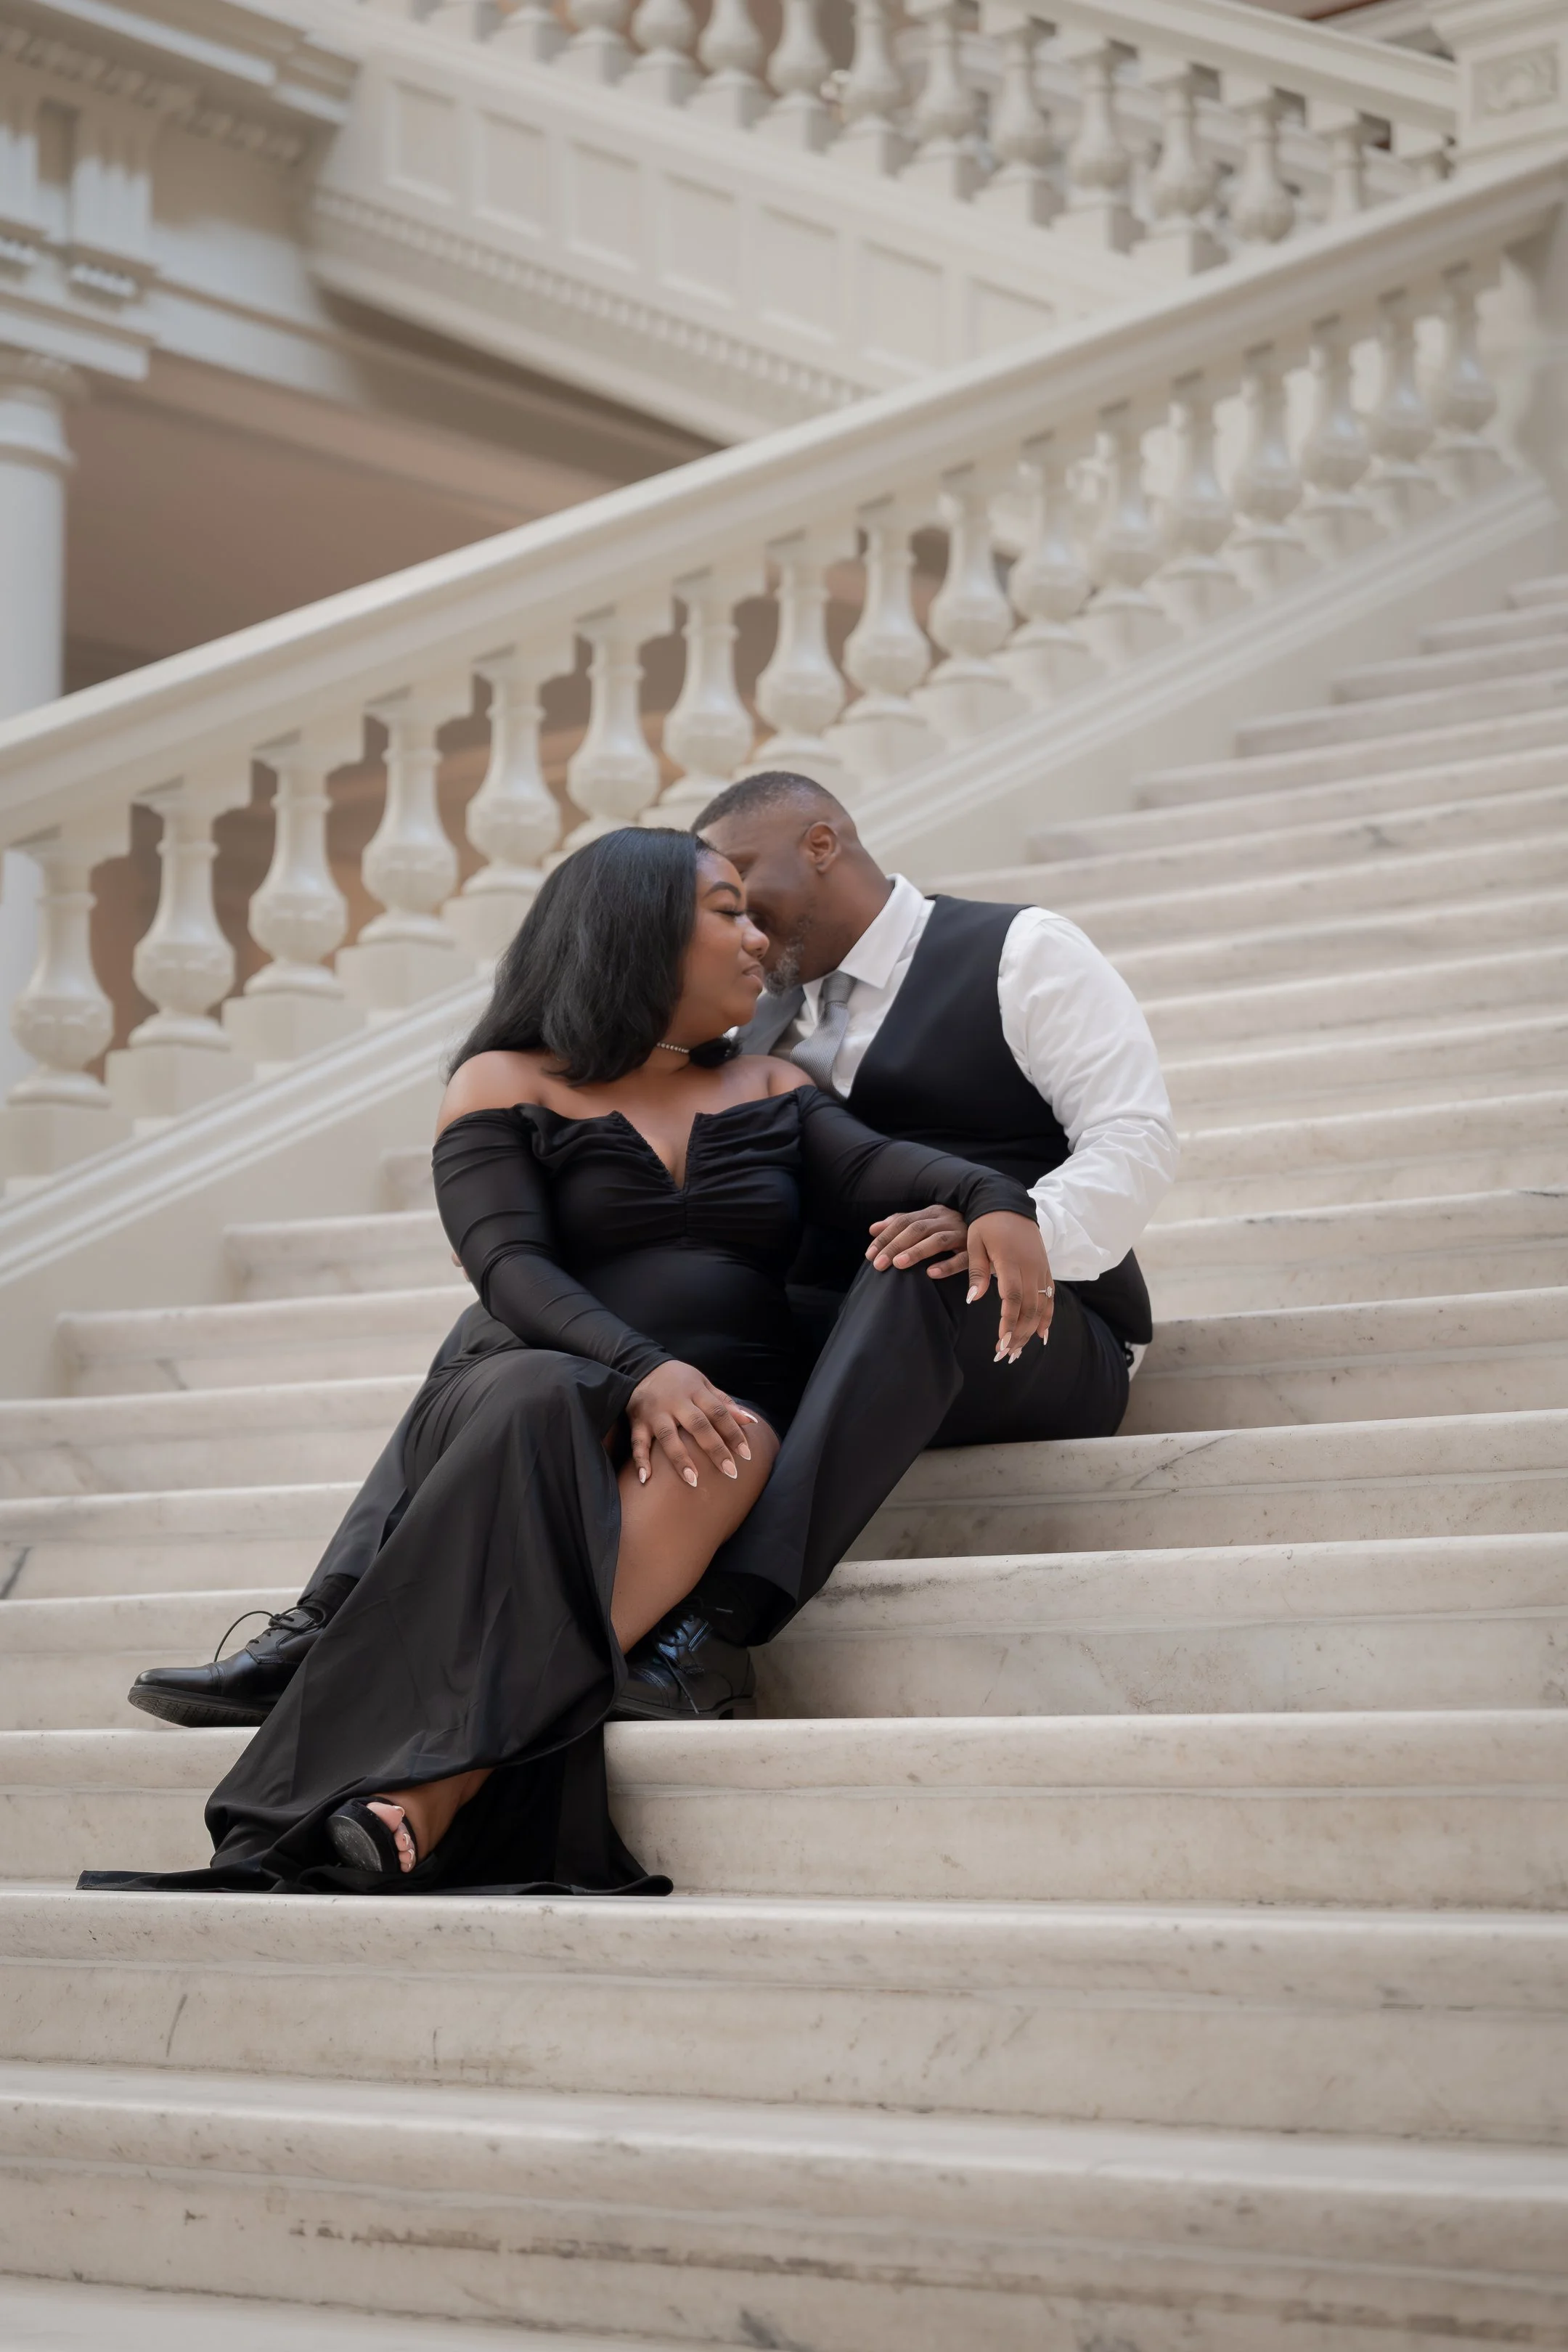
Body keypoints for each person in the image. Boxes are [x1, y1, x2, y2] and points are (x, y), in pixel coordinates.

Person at [86, 828, 1049, 1894]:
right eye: (727, 911)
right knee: (540, 1389)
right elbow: (508, 1269)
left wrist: (995, 1201)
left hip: (715, 1410)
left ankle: (429, 1791)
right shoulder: (503, 1081)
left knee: (727, 1441)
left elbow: (896, 1171)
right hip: (546, 1380)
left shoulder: (773, 1083)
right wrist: (641, 1370)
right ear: (636, 929)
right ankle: (385, 1715)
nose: (759, 940)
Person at [128, 772, 1177, 1734]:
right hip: (837, 1335)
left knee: (917, 1265)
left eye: (744, 886)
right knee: (506, 1315)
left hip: (1028, 1321)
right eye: (723, 908)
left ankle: (712, 1626)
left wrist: (1010, 1222)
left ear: (820, 844)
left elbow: (1134, 1141)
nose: (745, 924)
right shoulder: (748, 1021)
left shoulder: (1020, 950)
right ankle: (325, 1617)